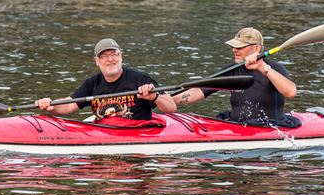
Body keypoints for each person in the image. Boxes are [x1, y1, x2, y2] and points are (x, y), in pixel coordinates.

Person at [173, 27, 301, 128]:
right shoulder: (232, 70)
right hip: (237, 126)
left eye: (240, 47)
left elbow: (291, 92)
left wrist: (263, 67)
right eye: (233, 46)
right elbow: (199, 91)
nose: (234, 50)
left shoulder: (274, 68)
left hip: (270, 127)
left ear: (256, 48)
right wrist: (167, 99)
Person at [35, 38, 176, 125]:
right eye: (103, 56)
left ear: (121, 57)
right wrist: (51, 106)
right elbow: (67, 106)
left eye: (114, 54)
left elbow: (171, 108)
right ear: (96, 61)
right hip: (105, 132)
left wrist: (154, 97)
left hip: (137, 133)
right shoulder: (92, 83)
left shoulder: (140, 79)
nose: (109, 60)